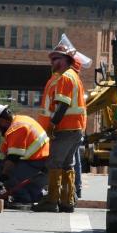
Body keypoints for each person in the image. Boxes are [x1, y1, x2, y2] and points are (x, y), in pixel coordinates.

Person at [34, 36, 87, 213]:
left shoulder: (65, 78)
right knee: (67, 165)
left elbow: (62, 105)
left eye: (57, 58)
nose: (53, 61)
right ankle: (67, 201)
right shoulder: (73, 77)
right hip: (75, 128)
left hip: (65, 128)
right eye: (52, 58)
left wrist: (53, 125)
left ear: (66, 60)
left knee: (55, 163)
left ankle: (52, 201)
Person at [0, 104, 49, 207]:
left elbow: (12, 158)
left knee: (1, 167)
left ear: (2, 121)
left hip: (39, 168)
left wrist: (3, 178)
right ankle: (34, 195)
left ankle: (22, 199)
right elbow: (8, 151)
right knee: (8, 167)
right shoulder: (22, 120)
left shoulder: (16, 129)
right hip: (44, 167)